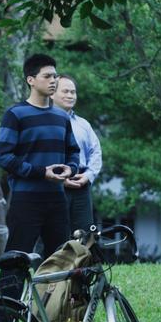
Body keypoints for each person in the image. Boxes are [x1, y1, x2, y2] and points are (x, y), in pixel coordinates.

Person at [0, 53, 80, 322]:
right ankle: (4, 321)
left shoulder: (61, 116)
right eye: (48, 76)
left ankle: (56, 318)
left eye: (56, 76)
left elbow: (73, 152)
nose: (54, 80)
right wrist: (39, 171)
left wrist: (70, 168)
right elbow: (3, 157)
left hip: (56, 199)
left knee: (61, 258)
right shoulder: (16, 114)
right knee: (16, 258)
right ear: (31, 80)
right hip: (26, 199)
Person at [52, 74, 103, 236]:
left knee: (85, 234)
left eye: (73, 92)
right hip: (54, 184)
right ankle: (51, 263)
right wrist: (60, 179)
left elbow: (96, 152)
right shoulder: (45, 121)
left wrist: (88, 176)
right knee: (55, 232)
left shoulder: (83, 124)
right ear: (52, 93)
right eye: (65, 91)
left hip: (81, 183)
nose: (70, 95)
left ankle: (84, 263)